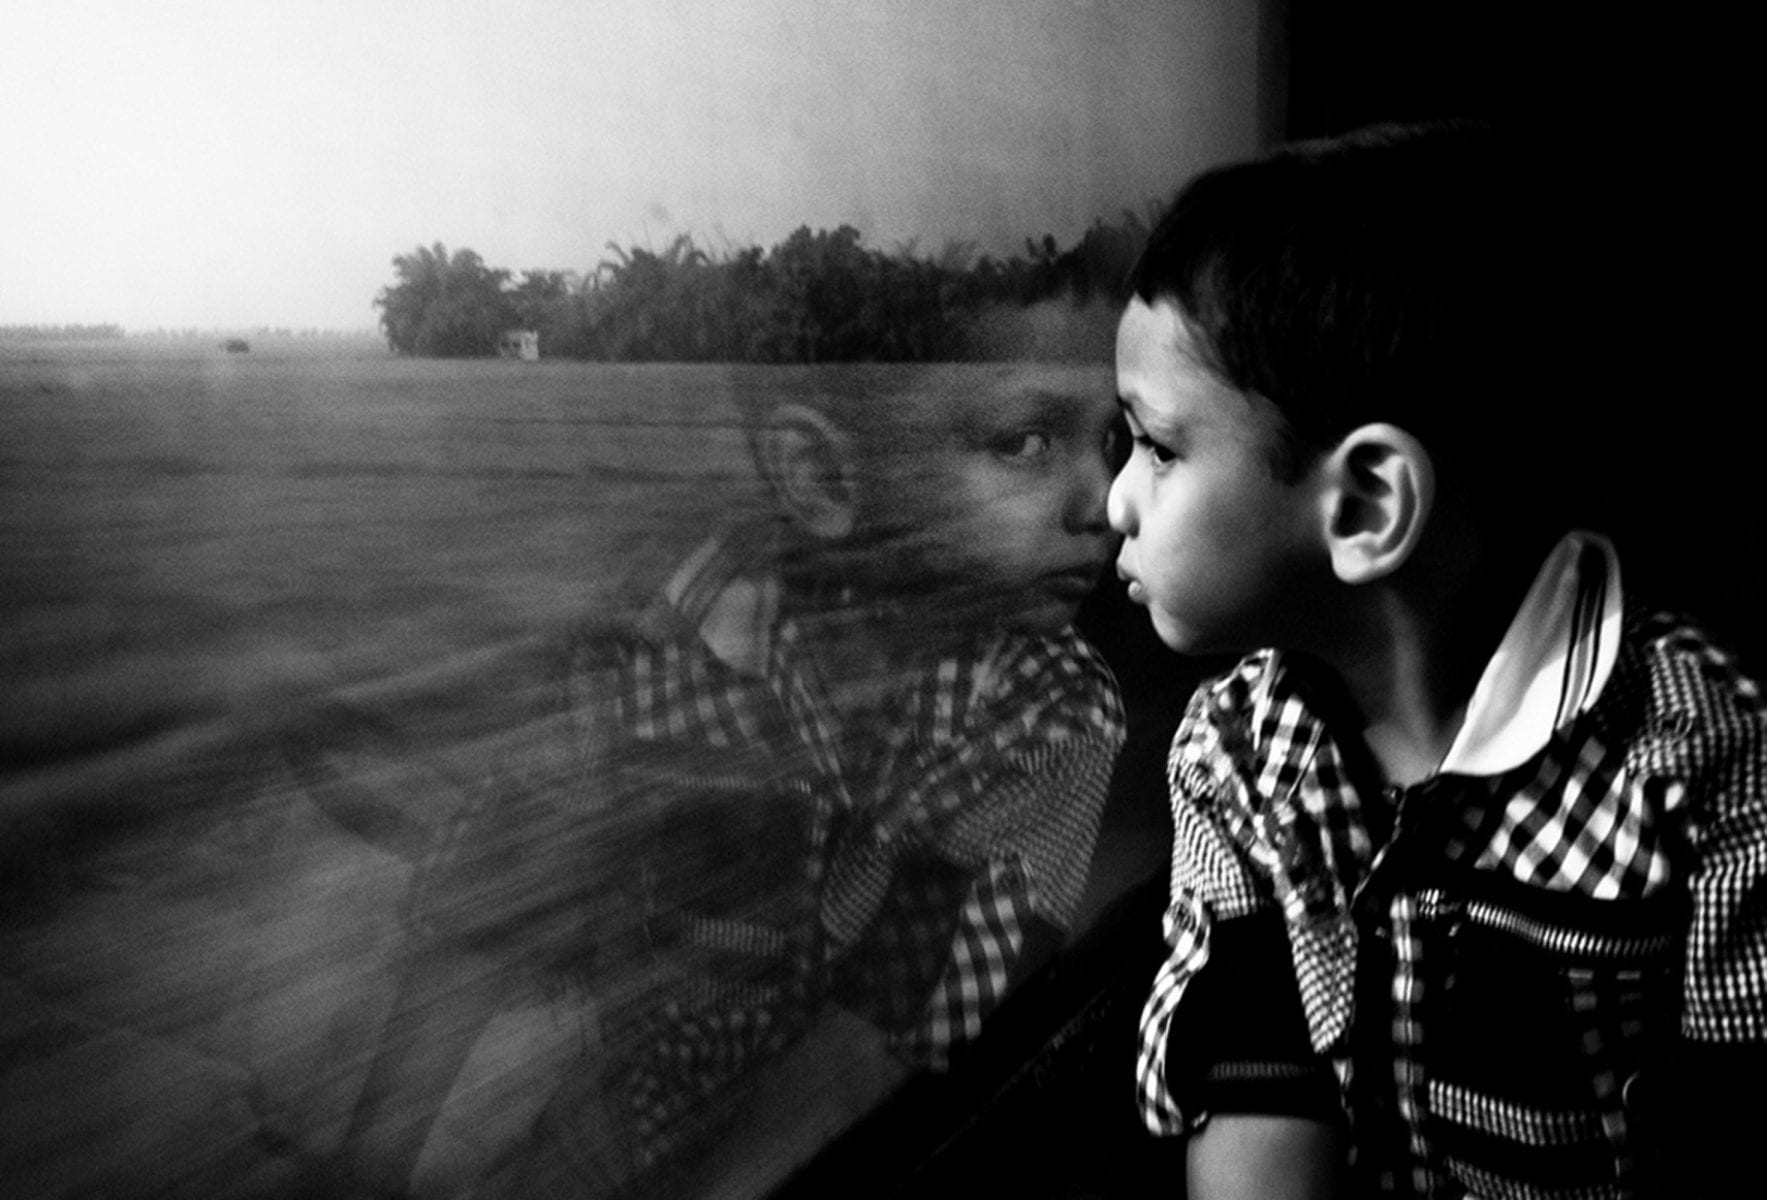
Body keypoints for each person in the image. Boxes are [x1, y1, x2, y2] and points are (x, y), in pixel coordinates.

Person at [1108, 122, 1765, 1199]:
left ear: (1367, 505)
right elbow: (1263, 1105)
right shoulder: (1234, 756)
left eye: (1159, 447)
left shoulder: (1706, 764)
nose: (1116, 502)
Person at [342, 359, 1128, 1198]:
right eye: (1025, 443)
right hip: (627, 1104)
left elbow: (865, 1060)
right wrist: (362, 1175)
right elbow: (494, 901)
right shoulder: (672, 622)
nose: (1107, 502)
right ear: (821, 475)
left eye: (1113, 439)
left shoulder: (1048, 716)